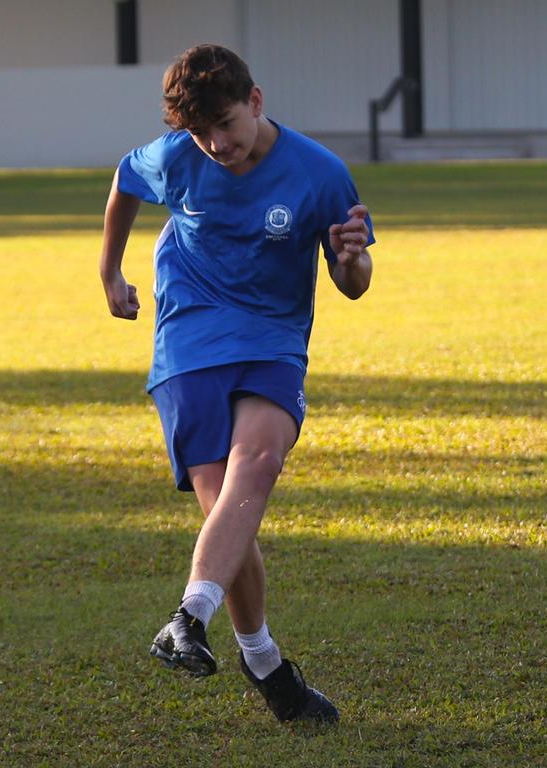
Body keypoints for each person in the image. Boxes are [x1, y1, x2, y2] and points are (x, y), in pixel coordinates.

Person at [99, 44, 373, 725]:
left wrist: (351, 260)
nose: (215, 144)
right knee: (229, 508)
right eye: (200, 133)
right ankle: (263, 661)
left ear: (255, 101)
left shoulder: (320, 173)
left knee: (258, 464)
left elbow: (354, 283)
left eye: (224, 123)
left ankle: (189, 617)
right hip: (189, 339)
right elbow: (125, 181)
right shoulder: (178, 157)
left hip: (275, 340)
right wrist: (110, 273)